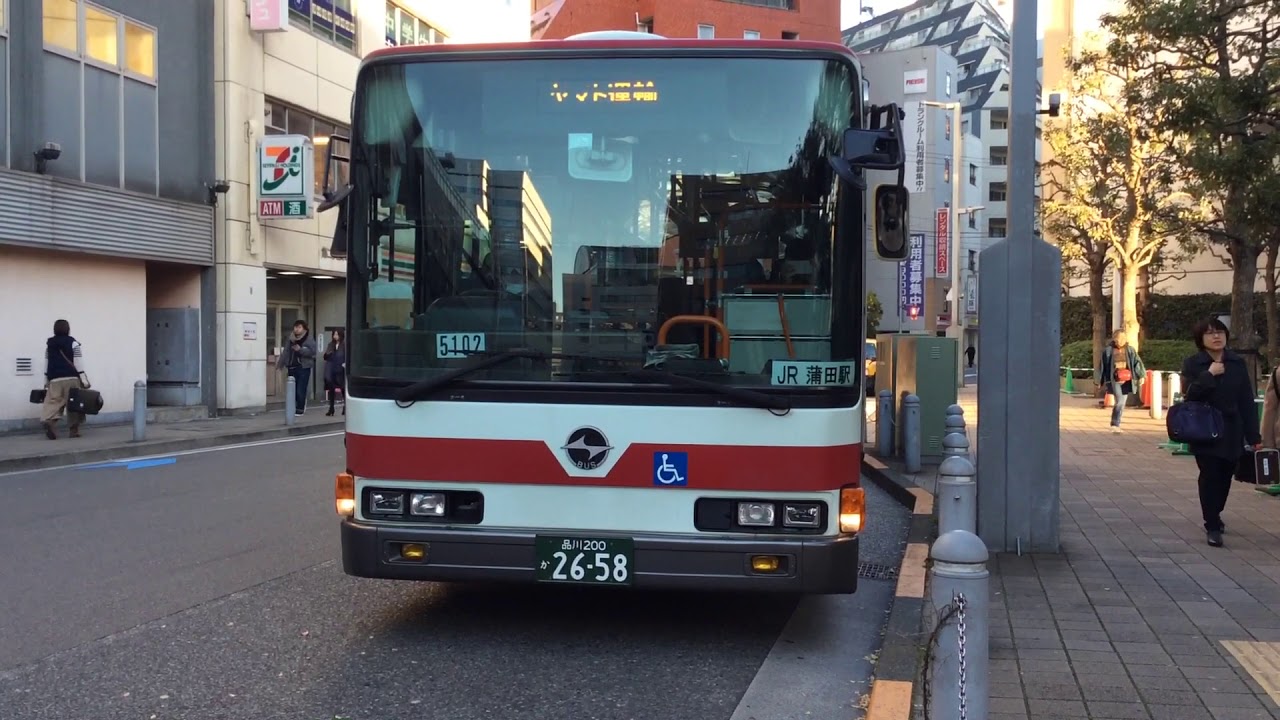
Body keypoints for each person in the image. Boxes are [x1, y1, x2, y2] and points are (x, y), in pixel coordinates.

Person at [1180, 317, 1261, 548]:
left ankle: (1216, 511)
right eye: (1210, 333)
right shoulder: (1193, 364)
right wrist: (1209, 374)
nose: (1216, 337)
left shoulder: (1236, 362)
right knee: (1209, 475)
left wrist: (1254, 434)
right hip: (1204, 429)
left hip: (1232, 428)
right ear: (1201, 339)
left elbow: (1246, 399)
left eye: (1220, 332)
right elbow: (1190, 396)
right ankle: (1212, 525)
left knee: (1226, 474)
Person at [41, 319, 86, 440]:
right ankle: (73, 430)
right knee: (74, 404)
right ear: (68, 329)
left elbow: (47, 363)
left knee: (54, 402)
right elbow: (78, 362)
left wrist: (46, 379)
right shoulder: (73, 343)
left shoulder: (49, 345)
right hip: (71, 377)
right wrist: (83, 379)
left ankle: (50, 421)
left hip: (54, 378)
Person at [1098, 330, 1145, 433]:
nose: (1122, 340)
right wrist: (1099, 381)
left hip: (1127, 379)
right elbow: (1102, 366)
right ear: (1114, 339)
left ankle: (1117, 423)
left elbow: (1137, 363)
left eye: (1124, 338)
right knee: (1119, 401)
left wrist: (1141, 375)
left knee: (1122, 403)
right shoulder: (1108, 351)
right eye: (1120, 338)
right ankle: (1115, 424)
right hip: (1115, 379)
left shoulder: (1130, 350)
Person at [276, 320, 317, 415]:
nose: (297, 329)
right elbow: (286, 352)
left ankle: (300, 408)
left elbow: (313, 352)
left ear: (304, 329)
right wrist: (280, 365)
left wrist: (301, 350)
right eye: (295, 327)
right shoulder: (290, 339)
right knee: (292, 390)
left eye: (299, 327)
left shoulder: (308, 339)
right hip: (291, 366)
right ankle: (294, 406)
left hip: (303, 367)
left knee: (300, 389)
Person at [322, 329, 346, 417]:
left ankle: (345, 407)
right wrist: (328, 354)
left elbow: (346, 356)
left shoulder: (344, 344)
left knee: (343, 388)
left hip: (341, 369)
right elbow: (325, 356)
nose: (335, 336)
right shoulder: (331, 345)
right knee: (331, 388)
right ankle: (331, 408)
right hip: (332, 368)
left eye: (337, 334)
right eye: (334, 334)